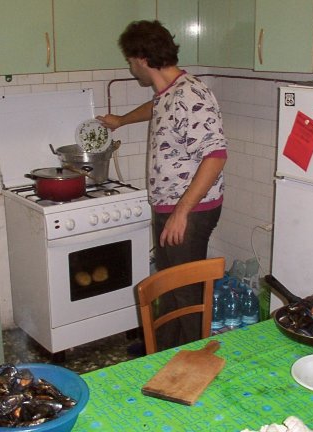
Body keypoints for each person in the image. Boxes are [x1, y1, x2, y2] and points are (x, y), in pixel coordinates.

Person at [97, 20, 227, 351]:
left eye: (130, 60)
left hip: (190, 210)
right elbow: (157, 107)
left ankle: (194, 361)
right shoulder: (169, 92)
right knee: (168, 288)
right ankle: (163, 353)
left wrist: (182, 213)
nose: (130, 67)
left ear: (142, 59)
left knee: (186, 292)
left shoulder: (193, 94)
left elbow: (215, 157)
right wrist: (122, 120)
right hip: (172, 206)